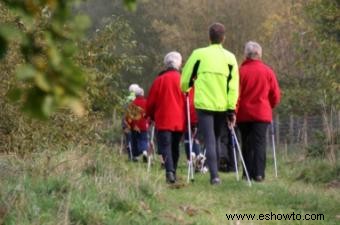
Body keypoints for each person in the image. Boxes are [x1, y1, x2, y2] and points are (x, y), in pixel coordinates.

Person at [180, 22, 239, 185]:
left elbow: (185, 79)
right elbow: (233, 86)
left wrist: (187, 86)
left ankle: (214, 176)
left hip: (204, 104)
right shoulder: (230, 58)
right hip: (222, 104)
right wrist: (231, 109)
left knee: (209, 139)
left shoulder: (198, 54)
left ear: (209, 37)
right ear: (223, 38)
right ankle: (215, 174)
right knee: (217, 137)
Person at [236, 41, 281, 182]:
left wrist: (234, 110)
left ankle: (247, 174)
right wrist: (269, 106)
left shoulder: (240, 72)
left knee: (247, 143)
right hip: (262, 113)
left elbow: (235, 94)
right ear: (260, 54)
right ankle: (259, 173)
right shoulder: (268, 71)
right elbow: (275, 95)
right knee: (260, 143)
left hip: (243, 114)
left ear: (246, 55)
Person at [146, 51, 185, 184]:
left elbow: (151, 101)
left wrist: (150, 115)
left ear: (165, 64)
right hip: (179, 120)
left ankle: (169, 171)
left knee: (166, 146)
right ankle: (172, 170)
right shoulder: (183, 80)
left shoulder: (159, 80)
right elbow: (189, 102)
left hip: (163, 119)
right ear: (179, 64)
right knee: (175, 146)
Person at [125, 86, 149, 162]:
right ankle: (145, 151)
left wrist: (130, 125)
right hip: (144, 125)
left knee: (135, 141)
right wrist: (149, 122)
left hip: (135, 126)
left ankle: (136, 156)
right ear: (142, 94)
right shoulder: (146, 102)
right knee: (143, 140)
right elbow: (148, 113)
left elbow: (129, 116)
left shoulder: (133, 103)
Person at [122, 83, 141, 160]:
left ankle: (130, 155)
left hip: (126, 122)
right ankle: (135, 155)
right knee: (134, 138)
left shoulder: (126, 99)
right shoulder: (136, 99)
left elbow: (123, 110)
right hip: (134, 122)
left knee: (128, 139)